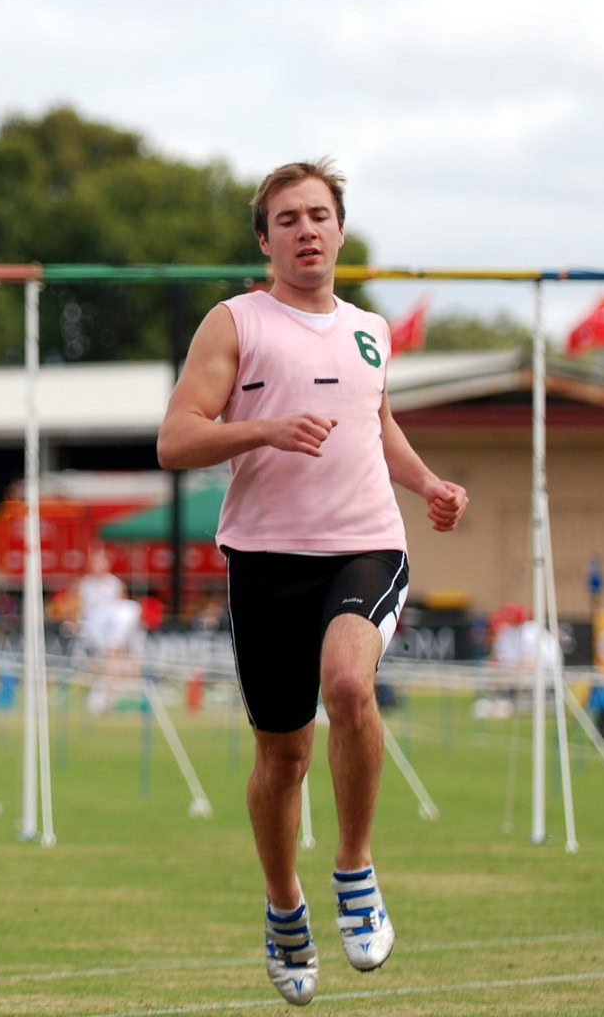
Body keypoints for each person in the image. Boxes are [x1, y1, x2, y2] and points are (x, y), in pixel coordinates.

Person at [157, 158, 468, 1006]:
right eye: (288, 219)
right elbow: (176, 441)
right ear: (265, 239)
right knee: (282, 757)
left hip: (366, 543)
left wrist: (429, 484)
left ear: (340, 229)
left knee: (348, 685)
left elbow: (378, 424)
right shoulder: (235, 323)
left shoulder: (371, 329)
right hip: (265, 558)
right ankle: (285, 905)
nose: (307, 230)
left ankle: (355, 866)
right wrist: (262, 429)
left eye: (319, 215)